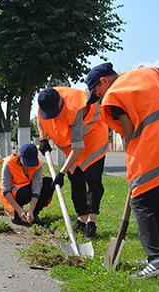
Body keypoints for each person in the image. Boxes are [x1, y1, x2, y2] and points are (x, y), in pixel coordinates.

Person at [86, 62, 159, 278]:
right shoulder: (147, 74)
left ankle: (157, 259)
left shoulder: (114, 95)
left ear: (104, 81)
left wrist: (132, 165)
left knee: (141, 203)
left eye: (97, 93)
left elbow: (128, 135)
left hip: (153, 152)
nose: (100, 98)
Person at [37, 86, 108, 240]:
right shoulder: (45, 99)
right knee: (76, 181)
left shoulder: (75, 110)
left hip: (93, 140)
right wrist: (42, 138)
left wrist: (61, 173)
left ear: (60, 103)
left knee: (92, 180)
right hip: (74, 145)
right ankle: (81, 220)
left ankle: (91, 224)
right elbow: (40, 118)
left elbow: (77, 147)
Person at [0, 144, 54, 226]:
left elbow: (36, 187)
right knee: (25, 193)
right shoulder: (9, 163)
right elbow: (6, 190)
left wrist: (31, 210)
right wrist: (19, 210)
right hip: (12, 193)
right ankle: (16, 213)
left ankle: (34, 214)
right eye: (27, 161)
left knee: (49, 183)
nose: (30, 165)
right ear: (20, 157)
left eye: (32, 162)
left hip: (27, 186)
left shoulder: (38, 164)